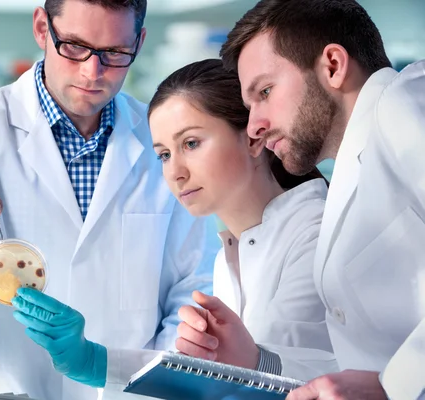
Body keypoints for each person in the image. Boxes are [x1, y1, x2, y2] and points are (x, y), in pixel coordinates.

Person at [0, 1, 216, 398]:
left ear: (138, 42)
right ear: (41, 28)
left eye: (115, 54)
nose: (92, 71)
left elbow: (194, 289)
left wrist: (132, 376)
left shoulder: (163, 143)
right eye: (73, 45)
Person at [11, 59, 338, 396]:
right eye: (164, 154)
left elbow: (350, 377)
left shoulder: (315, 236)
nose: (175, 172)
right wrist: (98, 362)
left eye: (191, 143)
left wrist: (255, 363)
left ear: (254, 138)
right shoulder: (235, 250)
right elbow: (217, 381)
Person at [179, 0, 424, 398]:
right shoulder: (352, 176)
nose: (255, 125)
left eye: (265, 91)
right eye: (248, 105)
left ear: (332, 66)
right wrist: (257, 361)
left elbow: (386, 379)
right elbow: (354, 367)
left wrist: (390, 387)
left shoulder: (406, 99)